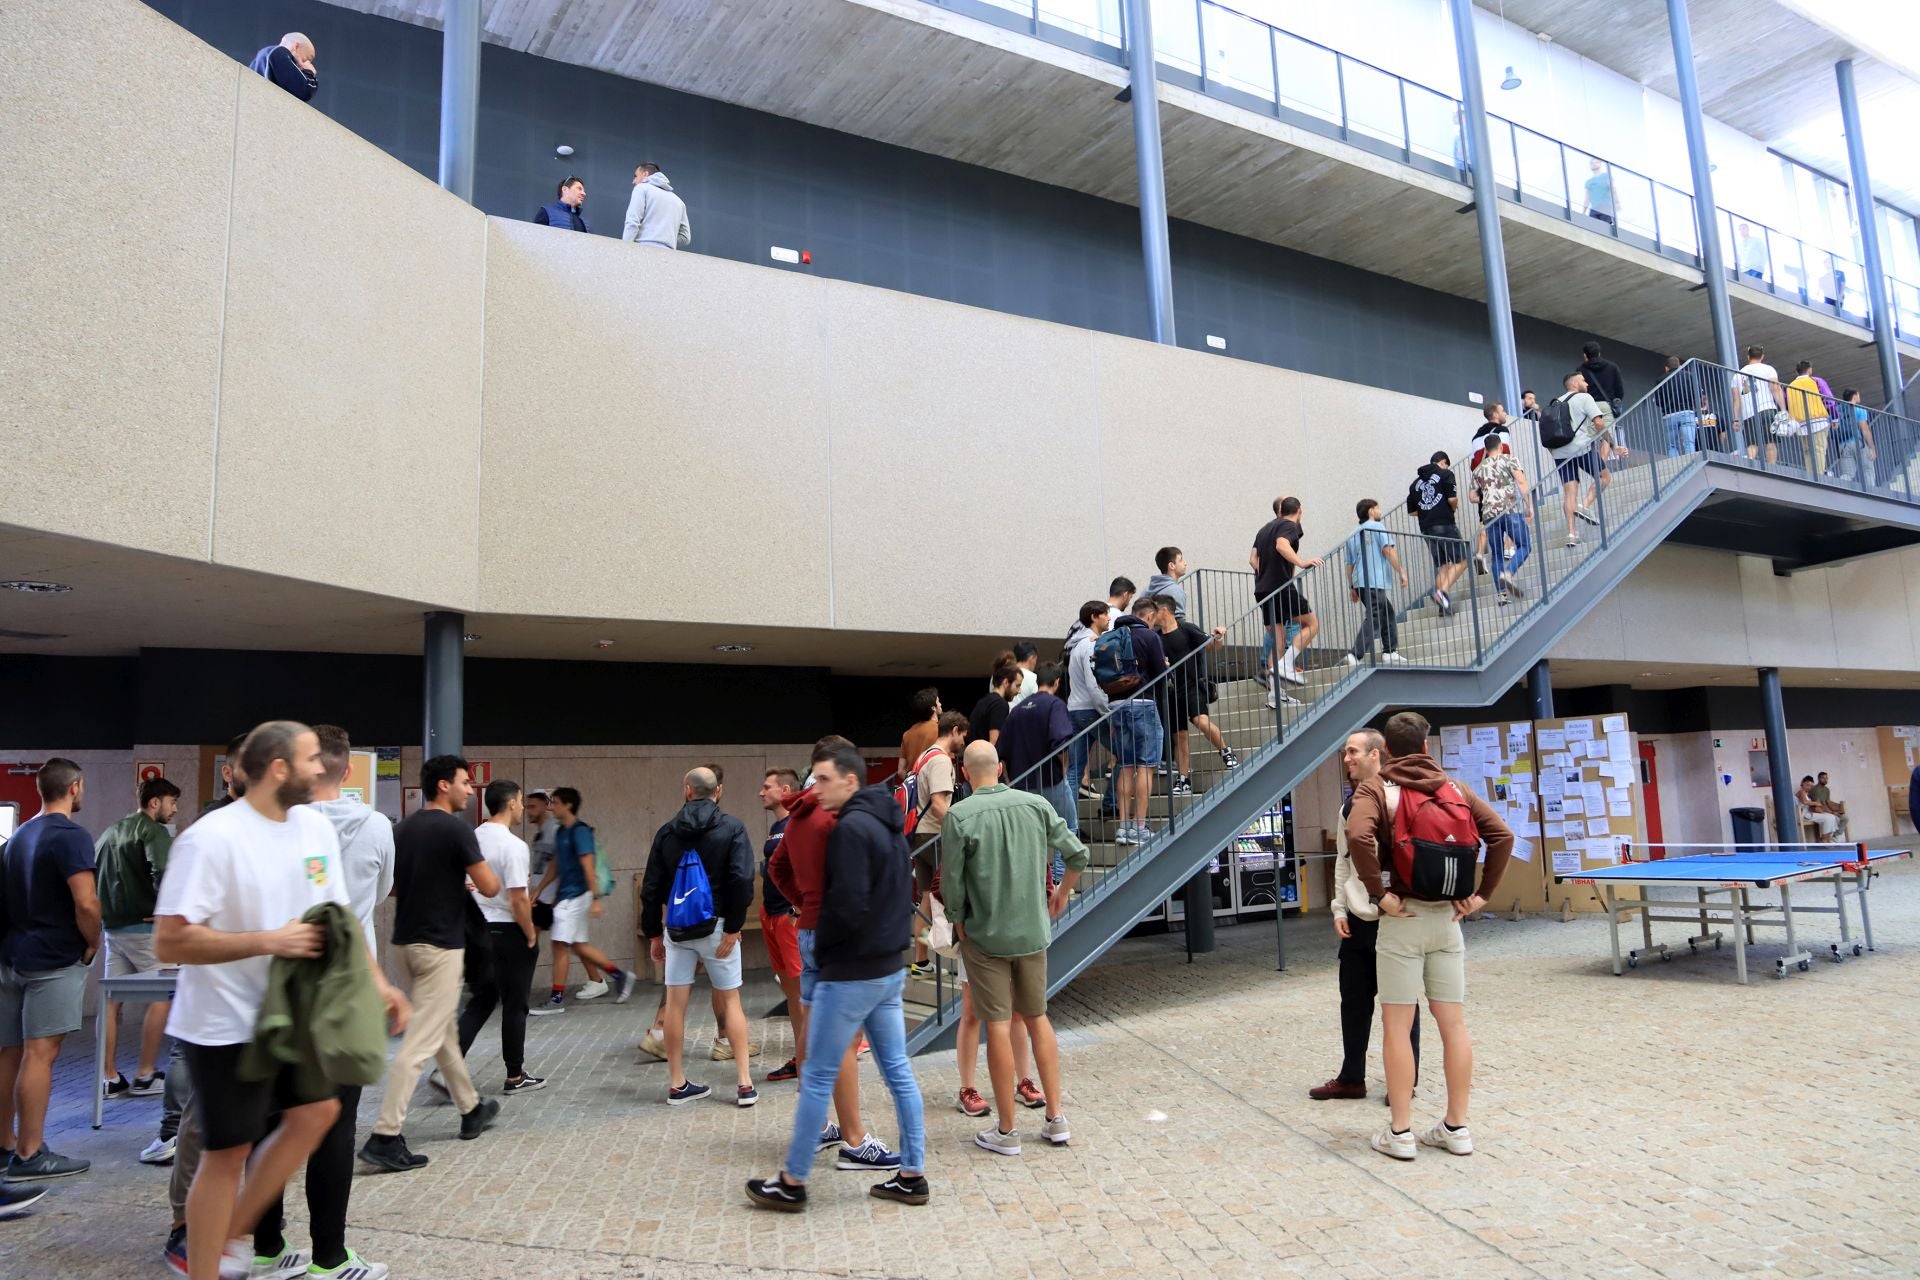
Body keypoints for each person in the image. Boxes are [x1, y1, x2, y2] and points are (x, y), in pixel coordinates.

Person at [156, 723, 408, 1280]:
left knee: (317, 1113)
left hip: (293, 1016)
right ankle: (210, 1259)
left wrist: (380, 985)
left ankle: (230, 1235)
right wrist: (270, 940)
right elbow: (170, 940)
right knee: (227, 1154)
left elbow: (338, 917)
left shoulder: (312, 831)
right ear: (277, 768)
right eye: (312, 759)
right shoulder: (211, 838)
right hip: (222, 1025)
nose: (324, 769)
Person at [746, 746, 928, 1211]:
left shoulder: (847, 829)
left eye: (824, 780)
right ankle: (911, 1175)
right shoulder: (887, 822)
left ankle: (792, 1181)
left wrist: (823, 952)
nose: (816, 788)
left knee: (817, 1074)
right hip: (887, 966)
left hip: (849, 972)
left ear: (849, 781)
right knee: (898, 1073)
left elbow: (845, 904)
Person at [1346, 711, 1515, 1162]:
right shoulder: (1455, 788)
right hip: (1449, 922)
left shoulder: (1377, 788)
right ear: (1426, 745)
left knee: (1397, 1027)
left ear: (1388, 751)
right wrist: (1482, 895)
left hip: (1402, 920)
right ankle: (1456, 1128)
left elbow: (1357, 835)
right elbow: (1501, 834)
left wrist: (1377, 894)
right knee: (1453, 1024)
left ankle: (1400, 1132)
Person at [944, 741, 1087, 1156]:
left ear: (965, 774)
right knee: (1038, 1018)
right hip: (1032, 933)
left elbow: (952, 883)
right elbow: (1077, 854)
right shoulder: (1035, 805)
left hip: (985, 936)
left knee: (998, 1026)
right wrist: (1060, 893)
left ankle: (1007, 1131)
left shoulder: (959, 816)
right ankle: (1056, 1118)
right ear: (1002, 767)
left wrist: (957, 919)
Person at [361, 756, 502, 1171]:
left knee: (441, 1032)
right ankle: (385, 1135)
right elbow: (491, 887)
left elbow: (389, 889)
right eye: (465, 783)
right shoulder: (455, 829)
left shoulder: (402, 829)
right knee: (420, 1041)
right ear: (444, 785)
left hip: (405, 944)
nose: (471, 790)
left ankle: (471, 1108)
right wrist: (473, 877)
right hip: (441, 946)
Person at [766, 738, 899, 1174]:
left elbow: (777, 867)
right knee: (843, 1040)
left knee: (812, 1029)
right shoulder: (834, 817)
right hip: (836, 934)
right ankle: (855, 1140)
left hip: (808, 929)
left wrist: (802, 903)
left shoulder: (799, 813)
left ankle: (821, 1125)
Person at [0, 758, 98, 1183]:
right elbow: (87, 902)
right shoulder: (71, 835)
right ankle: (30, 1153)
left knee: (8, 1054)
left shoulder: (17, 837)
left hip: (12, 957)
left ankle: (5, 1145)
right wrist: (93, 941)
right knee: (41, 1055)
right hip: (53, 959)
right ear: (75, 787)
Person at [1308, 730, 1420, 1102]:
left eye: (1353, 752)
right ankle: (1352, 1077)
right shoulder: (1348, 806)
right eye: (1344, 753)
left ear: (1377, 754)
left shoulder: (1400, 797)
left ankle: (1404, 1082)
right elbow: (1344, 863)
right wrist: (1339, 907)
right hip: (1358, 921)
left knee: (1400, 1002)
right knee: (1353, 1002)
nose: (1347, 759)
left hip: (1395, 918)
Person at [639, 768, 759, 1107]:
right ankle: (744, 1084)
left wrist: (653, 933)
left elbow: (651, 888)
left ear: (687, 789)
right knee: (731, 1000)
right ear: (717, 791)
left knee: (676, 1004)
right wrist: (734, 927)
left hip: (676, 929)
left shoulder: (666, 832)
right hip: (718, 928)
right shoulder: (732, 828)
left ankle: (677, 1083)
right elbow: (741, 879)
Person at [454, 779, 546, 1095]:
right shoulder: (514, 846)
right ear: (510, 803)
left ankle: (448, 1069)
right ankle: (515, 1075)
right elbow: (519, 898)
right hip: (508, 930)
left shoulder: (470, 838)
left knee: (481, 1001)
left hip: (474, 930)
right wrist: (530, 933)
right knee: (515, 1003)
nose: (522, 807)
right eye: (521, 801)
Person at [94, 776, 180, 1104]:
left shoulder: (109, 833)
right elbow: (165, 873)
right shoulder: (153, 831)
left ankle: (110, 1078)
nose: (174, 810)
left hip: (113, 929)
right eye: (171, 803)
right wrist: (166, 911)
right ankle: (146, 1074)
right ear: (154, 802)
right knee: (162, 997)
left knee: (111, 1001)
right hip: (146, 932)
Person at [530, 786, 634, 1012]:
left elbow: (588, 866)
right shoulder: (561, 832)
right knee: (578, 946)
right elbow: (556, 865)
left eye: (555, 802)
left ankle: (556, 999)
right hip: (568, 896)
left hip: (578, 895)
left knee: (559, 946)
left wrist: (595, 898)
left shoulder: (580, 832)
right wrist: (540, 890)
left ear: (568, 805)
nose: (552, 807)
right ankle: (620, 976)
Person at [1147, 598, 1237, 795]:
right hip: (1169, 691)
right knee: (1179, 736)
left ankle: (1226, 752)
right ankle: (1183, 778)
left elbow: (1212, 646)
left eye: (1154, 610)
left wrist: (1218, 637)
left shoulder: (1186, 628)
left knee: (1201, 721)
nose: (1151, 615)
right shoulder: (1155, 636)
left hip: (1191, 685)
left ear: (1164, 610)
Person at [998, 662, 1078, 880]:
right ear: (1057, 682)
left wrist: (1010, 780)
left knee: (1031, 835)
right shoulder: (1055, 705)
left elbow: (1001, 750)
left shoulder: (1018, 709)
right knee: (1068, 827)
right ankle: (1061, 880)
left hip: (1022, 785)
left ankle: (1037, 882)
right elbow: (1060, 742)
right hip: (1051, 780)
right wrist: (1064, 770)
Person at [907, 711, 968, 976]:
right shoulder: (941, 760)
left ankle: (920, 962)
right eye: (963, 735)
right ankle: (957, 959)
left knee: (927, 898)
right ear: (954, 730)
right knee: (950, 895)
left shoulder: (923, 756)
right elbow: (939, 804)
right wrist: (962, 827)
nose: (964, 741)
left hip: (918, 835)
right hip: (935, 835)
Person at [1104, 600, 1169, 846]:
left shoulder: (1113, 636)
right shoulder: (1148, 636)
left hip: (1116, 706)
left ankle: (1123, 828)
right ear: (1149, 616)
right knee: (1146, 765)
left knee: (1126, 765)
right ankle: (1140, 826)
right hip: (1143, 704)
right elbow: (1160, 674)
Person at [758, 769, 806, 1083]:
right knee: (790, 993)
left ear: (785, 788)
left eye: (767, 787)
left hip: (789, 918)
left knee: (802, 992)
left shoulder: (796, 824)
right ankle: (801, 1057)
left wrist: (796, 908)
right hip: (770, 914)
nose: (761, 792)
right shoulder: (777, 827)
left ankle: (811, 1060)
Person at [1251, 496, 1322, 703]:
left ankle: (1276, 695)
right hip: (1280, 586)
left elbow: (1252, 559)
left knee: (1278, 639)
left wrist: (1265, 573)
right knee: (1312, 624)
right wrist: (1302, 562)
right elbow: (1282, 545)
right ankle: (1286, 665)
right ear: (1300, 510)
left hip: (1262, 589)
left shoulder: (1264, 529)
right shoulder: (1290, 525)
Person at [1548, 370, 1613, 547]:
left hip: (1560, 453)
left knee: (1570, 492)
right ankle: (1584, 505)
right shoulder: (1585, 398)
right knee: (1605, 477)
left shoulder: (1556, 402)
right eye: (1584, 380)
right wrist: (1612, 444)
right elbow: (1599, 423)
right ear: (1575, 383)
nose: (1587, 384)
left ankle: (1571, 534)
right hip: (1581, 448)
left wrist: (1555, 453)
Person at [1344, 499, 1409, 666]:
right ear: (1371, 511)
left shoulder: (1352, 534)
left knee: (1387, 613)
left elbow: (1349, 564)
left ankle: (1390, 651)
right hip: (1373, 580)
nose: (1380, 511)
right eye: (1377, 508)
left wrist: (1352, 586)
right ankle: (1355, 654)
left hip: (1360, 581)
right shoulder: (1378, 527)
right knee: (1374, 617)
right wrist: (1401, 571)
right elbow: (1388, 550)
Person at [1470, 435, 1533, 606]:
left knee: (1497, 554)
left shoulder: (1478, 469)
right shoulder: (1509, 459)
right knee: (1525, 545)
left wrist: (1488, 496)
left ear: (1486, 449)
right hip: (1510, 509)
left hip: (1489, 515)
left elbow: (1472, 497)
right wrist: (1530, 506)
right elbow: (1520, 481)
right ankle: (1509, 572)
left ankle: (1502, 595)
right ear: (1500, 446)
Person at [1408, 450, 1468, 613]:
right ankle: (1442, 592)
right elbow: (1452, 499)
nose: (1446, 467)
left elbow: (1412, 511)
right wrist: (1453, 509)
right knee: (1462, 560)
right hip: (1445, 524)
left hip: (1426, 528)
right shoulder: (1446, 474)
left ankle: (1443, 605)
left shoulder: (1415, 484)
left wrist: (1428, 510)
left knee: (1442, 565)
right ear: (1443, 462)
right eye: (1446, 464)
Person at [1060, 577, 1136, 664]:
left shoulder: (1094, 611)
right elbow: (1108, 647)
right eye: (1130, 598)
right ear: (1125, 595)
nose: (1108, 618)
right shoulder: (1115, 614)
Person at [622, 163, 691, 249]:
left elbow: (632, 222)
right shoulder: (679, 202)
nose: (633, 181)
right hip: (668, 256)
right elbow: (685, 237)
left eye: (635, 176)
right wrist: (664, 237)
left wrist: (624, 249)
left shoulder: (641, 188)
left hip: (643, 250)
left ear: (645, 174)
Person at [1734, 345, 1782, 464]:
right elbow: (1775, 388)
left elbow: (1736, 399)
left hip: (1748, 414)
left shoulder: (1737, 374)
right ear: (1762, 356)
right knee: (1770, 443)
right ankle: (1772, 469)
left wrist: (1735, 420)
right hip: (1767, 409)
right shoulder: (1768, 369)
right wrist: (1783, 409)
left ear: (1748, 356)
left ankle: (1750, 463)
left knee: (1752, 444)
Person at [1783, 360, 1834, 474]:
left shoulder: (1790, 386)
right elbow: (1829, 400)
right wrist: (1834, 417)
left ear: (1797, 372)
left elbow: (1787, 405)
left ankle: (1811, 475)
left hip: (1800, 423)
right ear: (1810, 369)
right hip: (1818, 420)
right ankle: (1819, 475)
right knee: (1819, 449)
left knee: (1807, 451)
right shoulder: (1816, 381)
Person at [1652, 355, 1705, 456]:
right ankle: (1692, 464)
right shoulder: (1689, 376)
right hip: (1687, 412)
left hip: (1669, 415)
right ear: (1679, 365)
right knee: (1689, 443)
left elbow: (1658, 401)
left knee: (1672, 445)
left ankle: (1676, 468)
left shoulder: (1660, 380)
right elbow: (1698, 395)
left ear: (1666, 368)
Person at [248, 33, 317, 102]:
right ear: (296, 46)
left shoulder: (264, 56)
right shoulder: (279, 52)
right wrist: (309, 72)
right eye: (307, 59)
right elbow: (304, 91)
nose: (308, 64)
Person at [969, 663, 1023, 748]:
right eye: (1017, 685)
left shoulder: (982, 702)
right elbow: (994, 743)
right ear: (1005, 682)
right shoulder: (1000, 705)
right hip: (987, 759)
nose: (1019, 691)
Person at [1832, 388, 1877, 484]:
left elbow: (1833, 427)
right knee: (1867, 470)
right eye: (1858, 395)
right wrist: (1872, 447)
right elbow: (1865, 430)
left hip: (1842, 445)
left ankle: (1843, 492)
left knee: (1847, 474)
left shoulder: (1836, 410)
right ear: (1855, 396)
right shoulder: (1859, 410)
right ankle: (1871, 494)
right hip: (1857, 443)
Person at [897, 688, 943, 780]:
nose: (940, 704)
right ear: (933, 708)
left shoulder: (907, 734)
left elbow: (900, 771)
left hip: (914, 788)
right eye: (938, 702)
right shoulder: (941, 730)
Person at [1578, 341, 1627, 419]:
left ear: (1585, 355)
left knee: (1590, 431)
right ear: (1599, 353)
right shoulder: (1612, 367)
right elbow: (1619, 389)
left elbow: (1578, 391)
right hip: (1607, 406)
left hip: (1588, 407)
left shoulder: (1580, 370)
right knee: (1607, 431)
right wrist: (1616, 401)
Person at [1144, 547, 1190, 619]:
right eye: (1180, 560)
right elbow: (1178, 624)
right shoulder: (1176, 591)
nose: (1185, 563)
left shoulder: (1146, 590)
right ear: (1171, 565)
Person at [1796, 777, 1847, 841]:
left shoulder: (1807, 794)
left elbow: (1811, 805)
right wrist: (1816, 803)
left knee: (1832, 817)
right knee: (1828, 818)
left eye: (1811, 786)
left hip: (1809, 813)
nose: (1809, 787)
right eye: (1807, 785)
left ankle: (1826, 838)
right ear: (1802, 784)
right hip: (1804, 814)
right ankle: (1825, 839)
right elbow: (1805, 801)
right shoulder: (1801, 792)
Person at [1582, 158, 1614, 227]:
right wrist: (1583, 212)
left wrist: (1616, 204)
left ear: (1600, 164)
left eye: (1596, 162)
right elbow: (1587, 198)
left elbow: (1613, 190)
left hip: (1605, 208)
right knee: (1593, 229)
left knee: (1605, 228)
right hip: (1594, 209)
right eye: (1592, 163)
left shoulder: (1606, 176)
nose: (1594, 164)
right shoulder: (1589, 182)